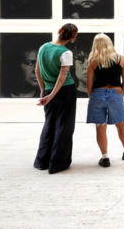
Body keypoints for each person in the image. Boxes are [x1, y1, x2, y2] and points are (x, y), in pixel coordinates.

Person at [34, 24, 79, 174]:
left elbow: (37, 70)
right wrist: (51, 95)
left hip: (48, 90)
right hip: (65, 92)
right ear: (73, 37)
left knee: (49, 124)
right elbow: (62, 77)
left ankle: (42, 161)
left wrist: (43, 90)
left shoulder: (43, 47)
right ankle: (57, 163)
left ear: (59, 32)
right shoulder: (66, 53)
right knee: (64, 126)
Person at [86, 34, 124, 167]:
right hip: (116, 93)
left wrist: (92, 96)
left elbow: (89, 82)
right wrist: (122, 92)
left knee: (100, 127)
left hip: (97, 94)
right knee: (121, 124)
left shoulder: (93, 61)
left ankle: (105, 158)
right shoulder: (121, 59)